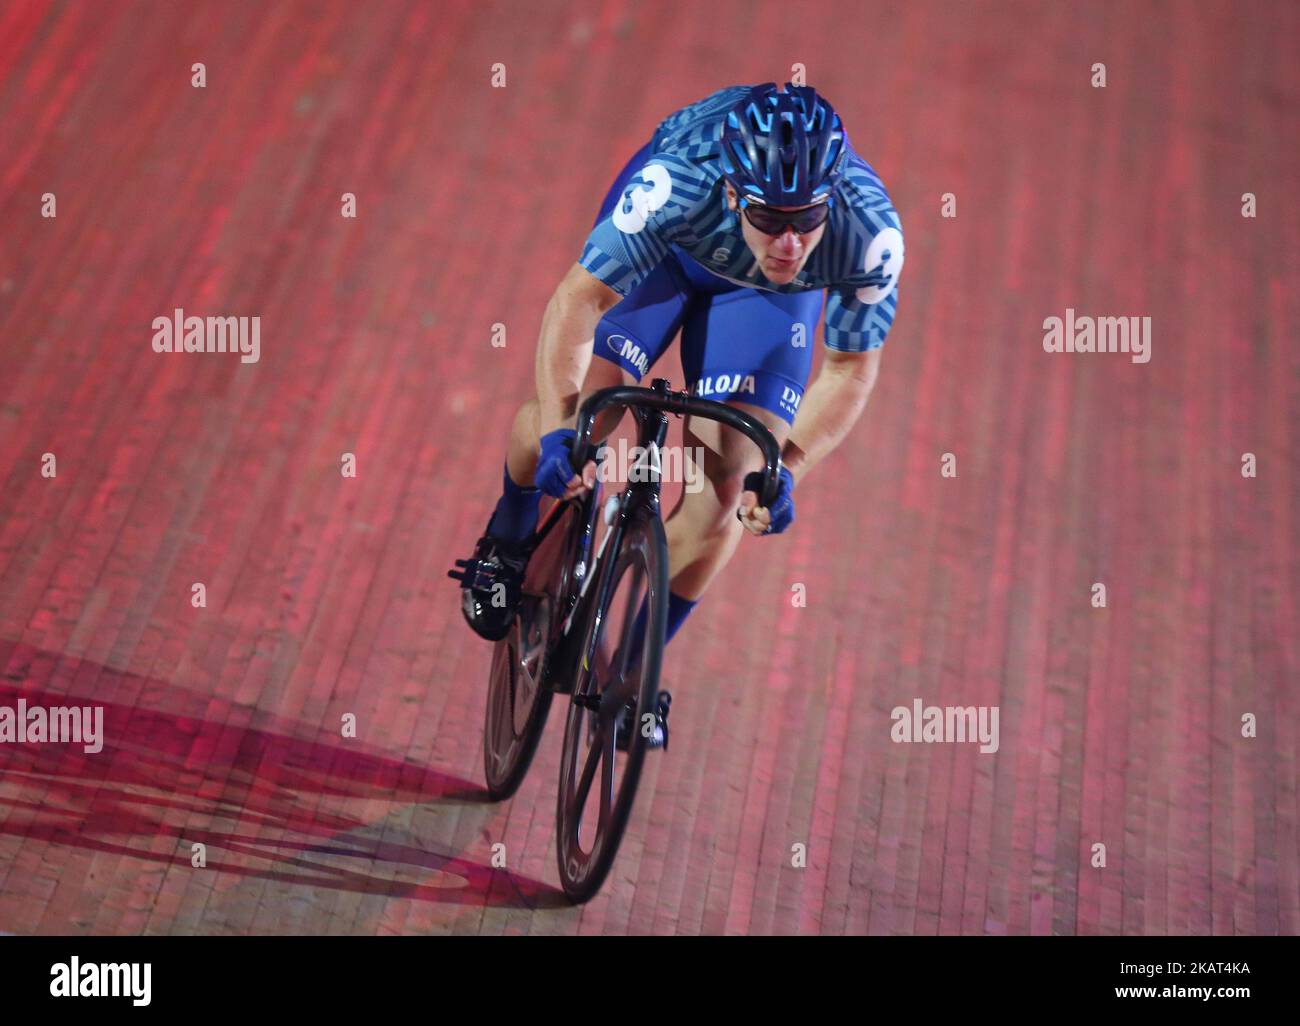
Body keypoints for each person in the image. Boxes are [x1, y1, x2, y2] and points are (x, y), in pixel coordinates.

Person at [450, 82, 904, 744]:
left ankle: (631, 672)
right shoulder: (675, 186)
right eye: (769, 217)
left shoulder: (867, 236)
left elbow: (850, 368)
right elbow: (577, 302)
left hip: (763, 304)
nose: (788, 243)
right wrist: (557, 428)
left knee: (729, 487)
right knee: (587, 418)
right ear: (730, 194)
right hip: (670, 255)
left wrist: (789, 468)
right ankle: (510, 535)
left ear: (830, 202)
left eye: (806, 218)